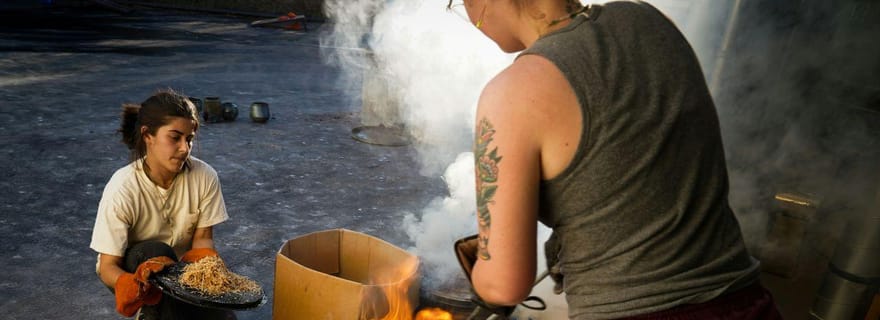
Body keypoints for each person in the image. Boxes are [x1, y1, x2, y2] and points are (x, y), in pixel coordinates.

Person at [450, 0, 783, 319]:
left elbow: (503, 286)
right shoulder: (647, 20)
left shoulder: (514, 92)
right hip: (748, 302)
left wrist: (481, 266)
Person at [90, 89, 235, 319]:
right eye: (175, 138)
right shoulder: (122, 187)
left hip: (184, 272)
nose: (185, 148)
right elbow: (108, 266)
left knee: (223, 317)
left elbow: (203, 239)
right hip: (136, 270)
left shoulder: (205, 176)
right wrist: (128, 283)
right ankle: (147, 307)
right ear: (148, 135)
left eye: (189, 139)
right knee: (156, 252)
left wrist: (209, 269)